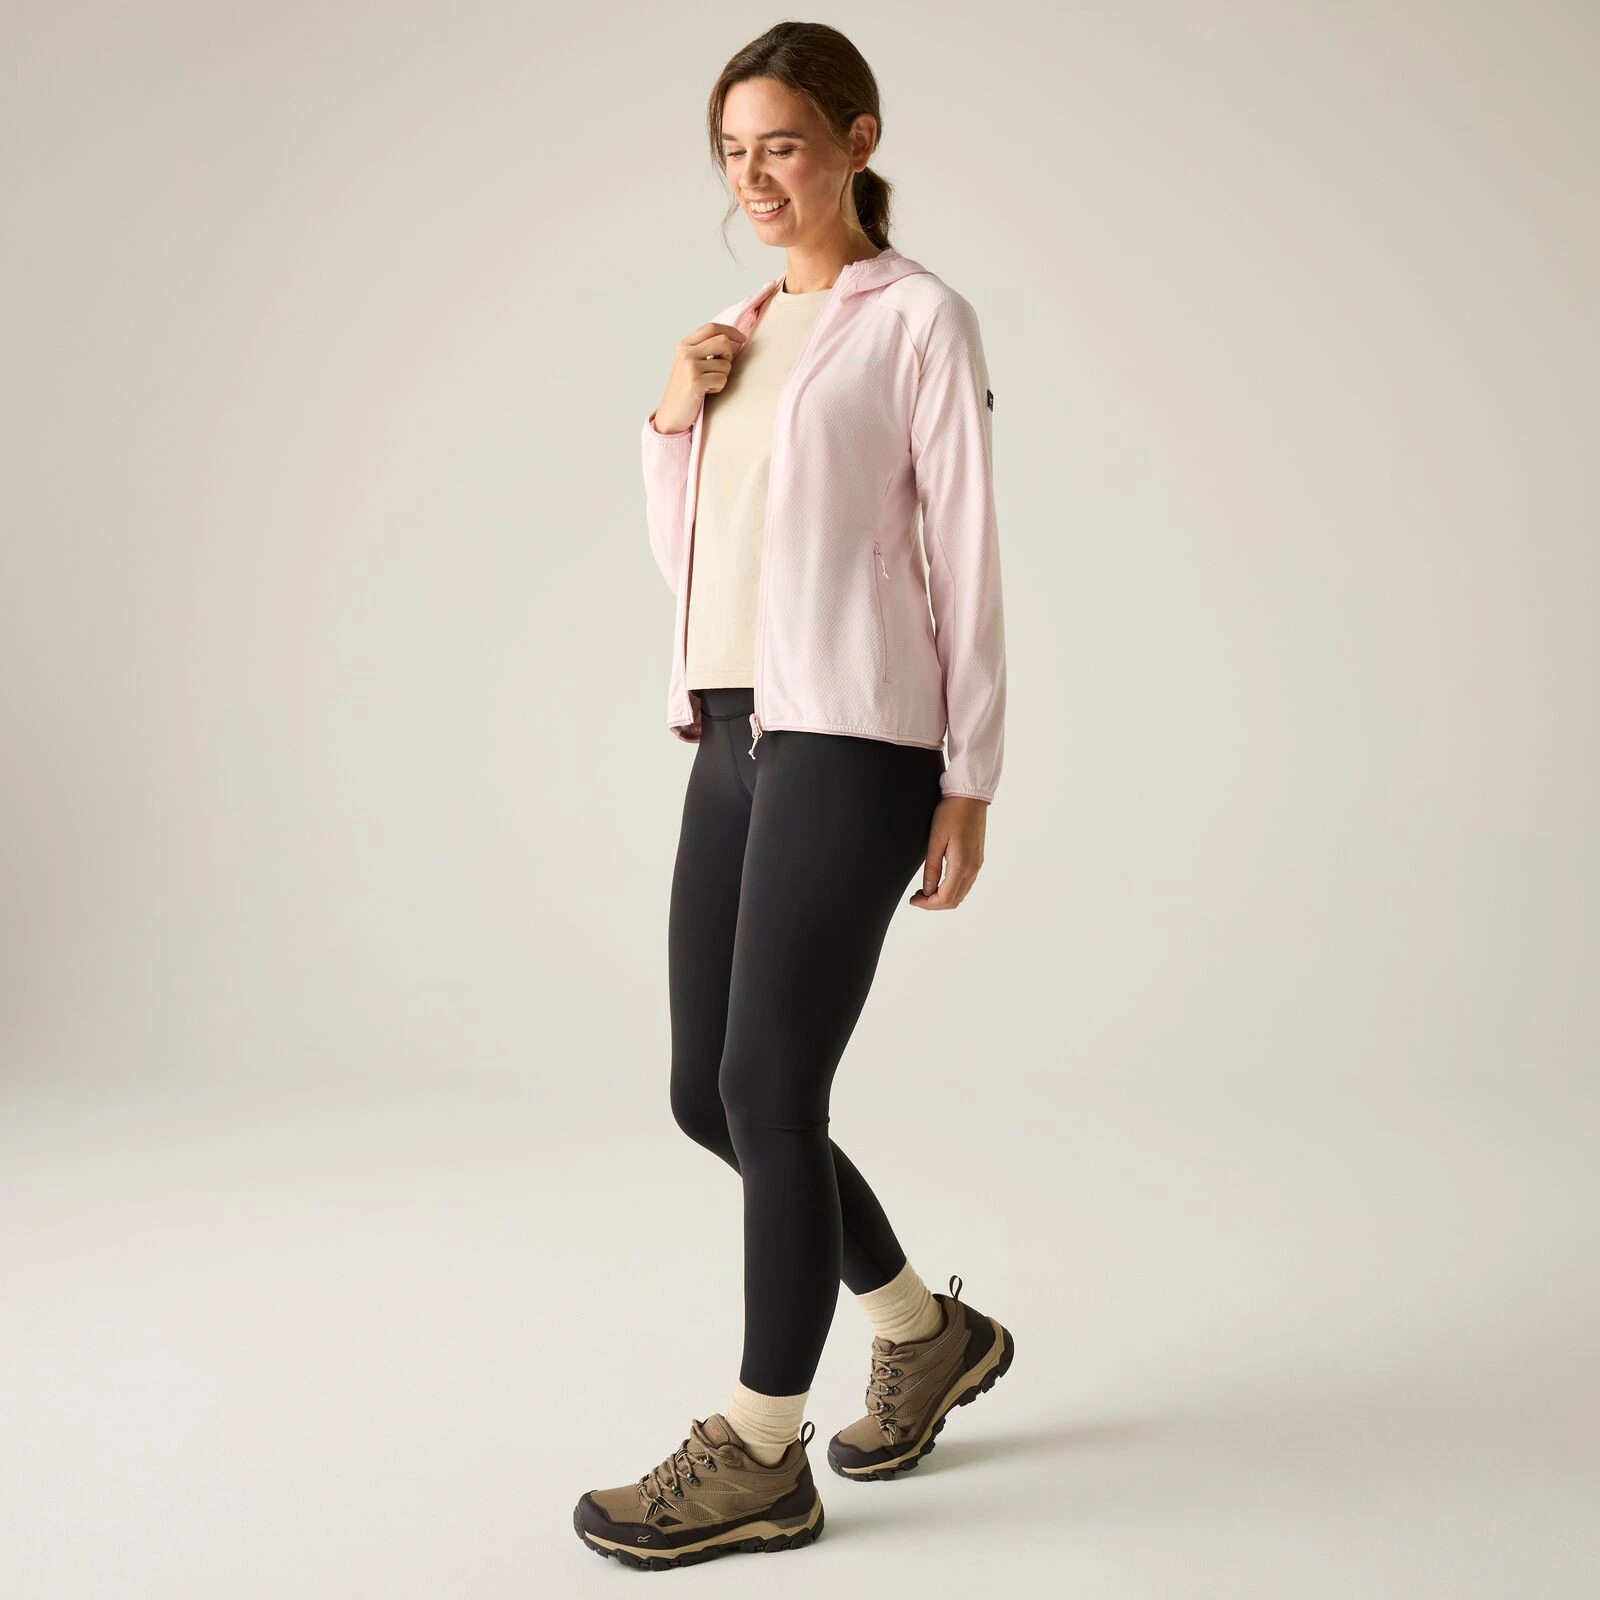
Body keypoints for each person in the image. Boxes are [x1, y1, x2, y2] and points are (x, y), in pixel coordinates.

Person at [574, 22, 1014, 1570]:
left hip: (857, 740)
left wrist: (970, 776)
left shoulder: (917, 321)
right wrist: (673, 418)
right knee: (709, 1097)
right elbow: (696, 558)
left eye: (782, 144)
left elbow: (965, 551)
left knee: (772, 1090)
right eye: (734, 151)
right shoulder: (732, 329)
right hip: (732, 731)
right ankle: (924, 1331)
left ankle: (763, 1450)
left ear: (855, 140)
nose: (755, 177)